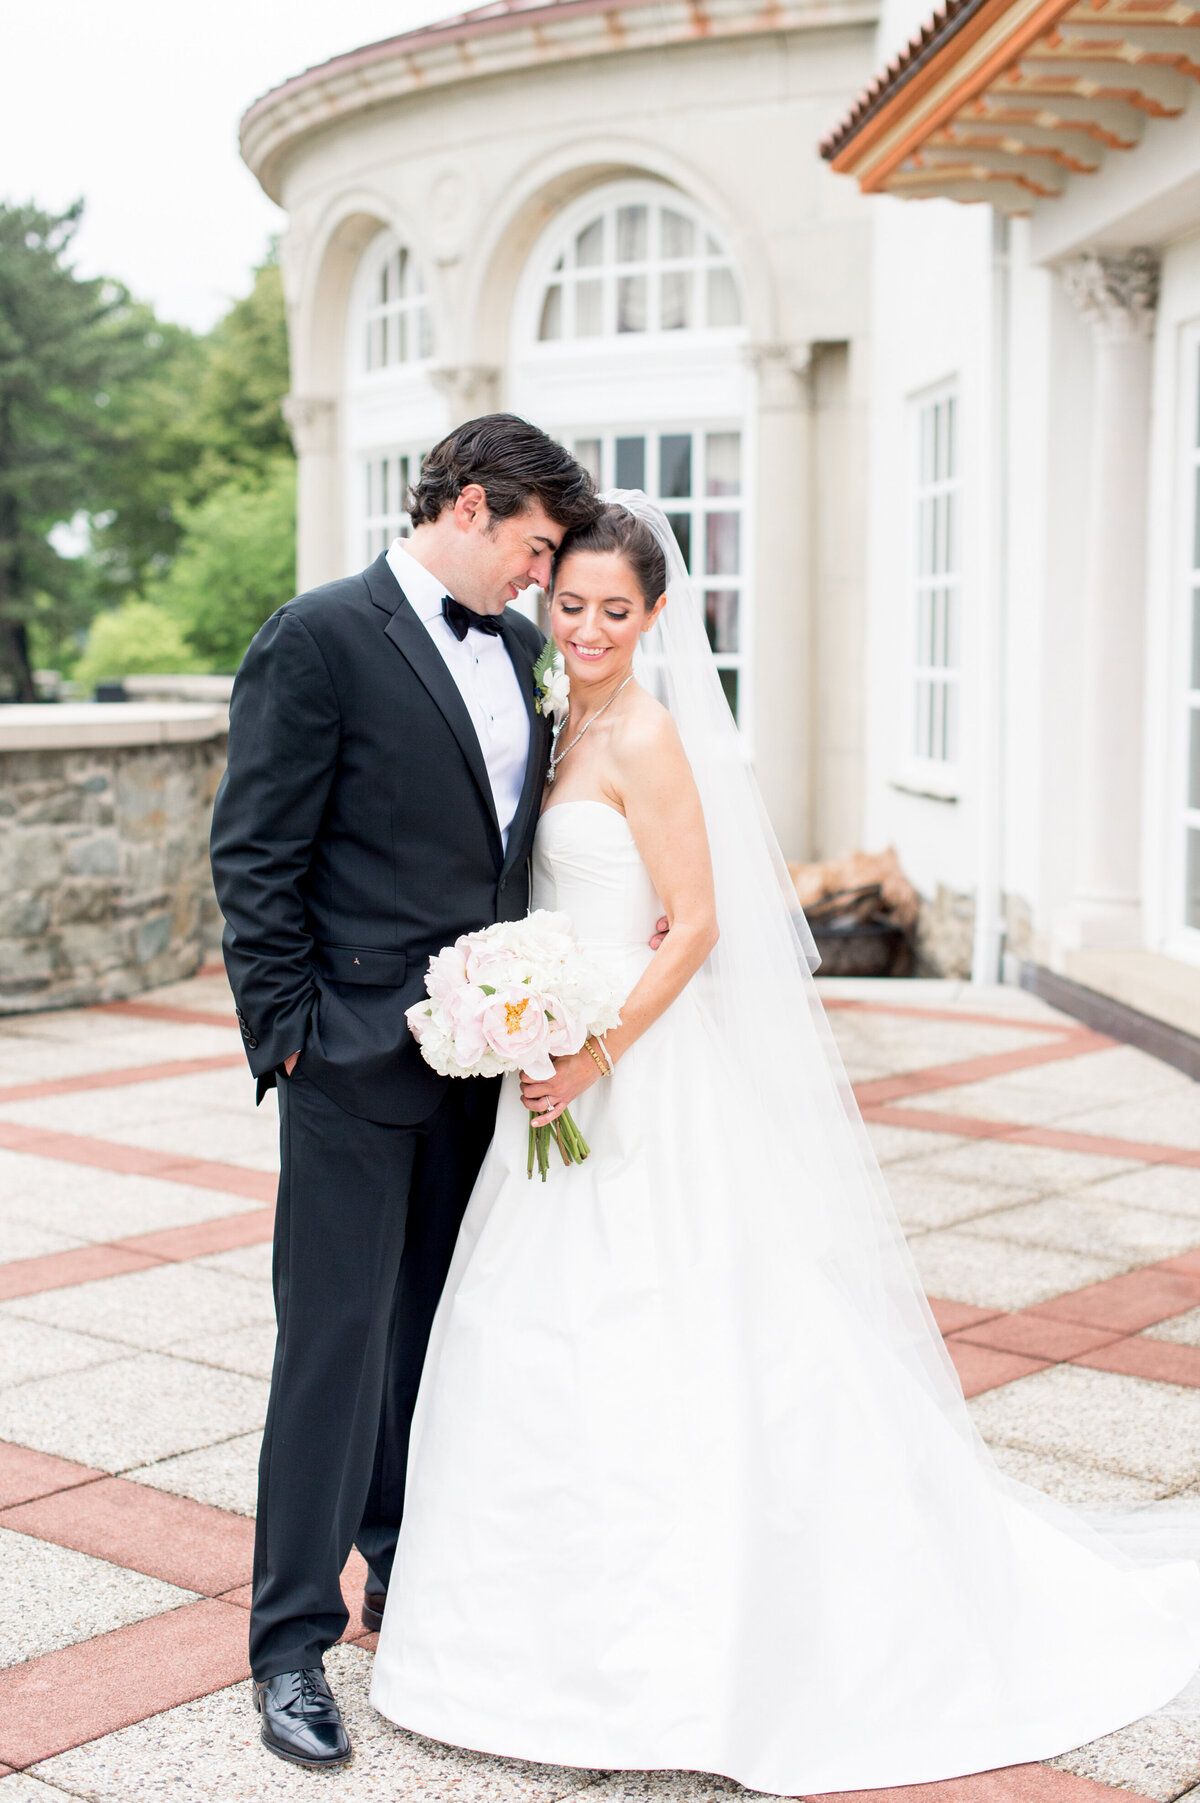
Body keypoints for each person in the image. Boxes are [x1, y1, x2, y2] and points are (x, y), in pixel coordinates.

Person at [369, 495, 1200, 1794]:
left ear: (656, 617)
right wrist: (516, 1009)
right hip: (552, 1066)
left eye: (614, 611)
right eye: (570, 604)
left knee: (680, 1330)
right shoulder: (552, 717)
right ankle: (523, 1638)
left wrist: (593, 1050)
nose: (587, 629)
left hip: (632, 1074)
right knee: (531, 1332)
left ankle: (705, 1653)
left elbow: (695, 925)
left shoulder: (647, 735)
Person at [210, 416, 629, 1769]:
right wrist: (290, 1037)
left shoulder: (514, 652)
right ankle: (288, 1647)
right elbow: (257, 855)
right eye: (534, 544)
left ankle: (405, 1571)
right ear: (464, 502)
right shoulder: (319, 636)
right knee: (332, 1347)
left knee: (439, 1338)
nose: (541, 576)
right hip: (349, 1059)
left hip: (483, 1075)